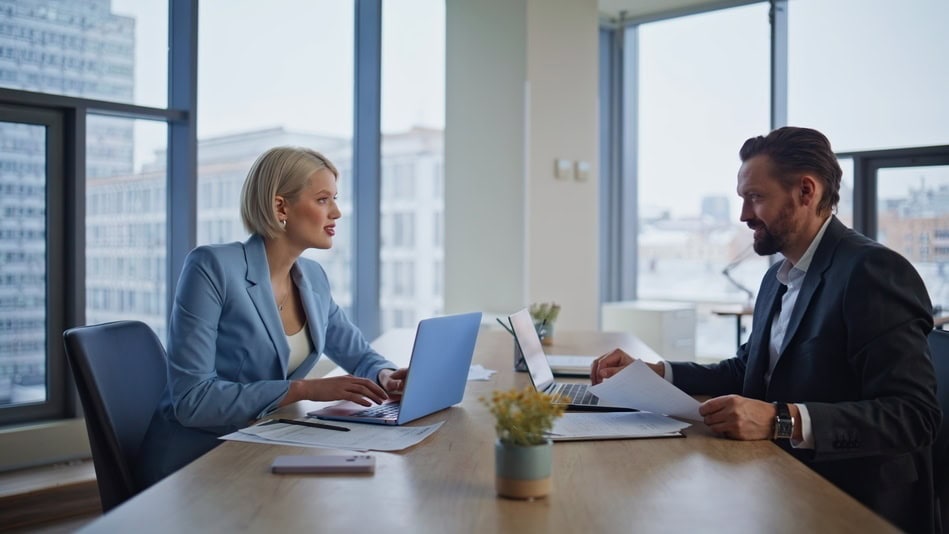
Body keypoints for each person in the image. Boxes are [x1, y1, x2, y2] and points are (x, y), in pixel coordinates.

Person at [591, 127, 942, 533]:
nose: (743, 216)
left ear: (806, 192)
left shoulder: (871, 272)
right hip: (777, 479)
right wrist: (659, 372)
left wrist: (782, 420)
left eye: (755, 197)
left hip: (851, 501)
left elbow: (914, 416)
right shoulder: (777, 277)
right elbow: (747, 370)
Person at [137, 147, 406, 487]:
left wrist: (385, 376)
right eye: (323, 200)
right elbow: (193, 401)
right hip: (196, 464)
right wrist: (303, 389)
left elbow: (358, 353)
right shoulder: (212, 267)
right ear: (281, 206)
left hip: (264, 449)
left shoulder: (313, 278)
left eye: (335, 199)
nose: (337, 212)